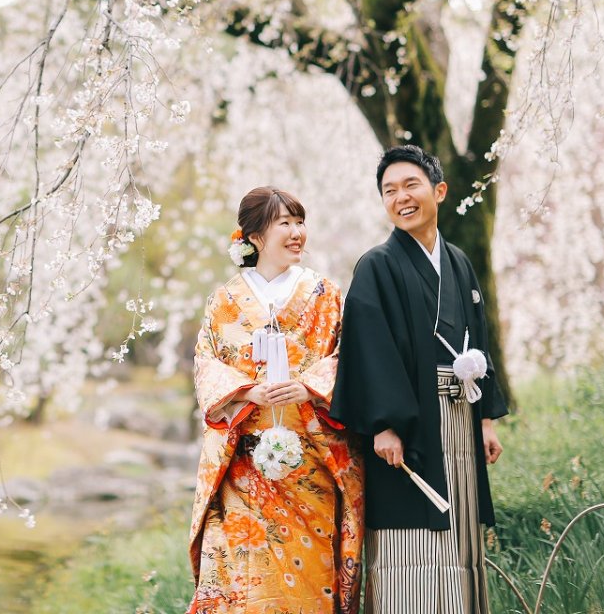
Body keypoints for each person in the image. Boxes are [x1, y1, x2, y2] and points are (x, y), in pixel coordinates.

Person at [329, 145, 507, 613]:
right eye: (390, 191)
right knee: (409, 547)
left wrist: (486, 416)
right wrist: (384, 425)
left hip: (460, 418)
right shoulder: (376, 266)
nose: (401, 198)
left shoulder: (459, 262)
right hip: (407, 430)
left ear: (439, 191)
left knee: (460, 536)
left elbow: (478, 340)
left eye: (411, 185)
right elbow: (368, 349)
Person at [188, 186, 363, 614]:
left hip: (312, 463)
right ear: (254, 236)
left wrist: (310, 386)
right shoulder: (225, 301)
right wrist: (246, 391)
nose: (296, 232)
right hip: (243, 469)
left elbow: (352, 357)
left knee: (311, 579)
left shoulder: (325, 294)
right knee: (238, 575)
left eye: (299, 222)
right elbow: (205, 362)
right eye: (284, 223)